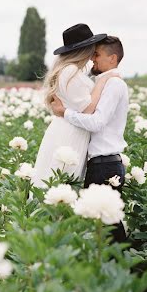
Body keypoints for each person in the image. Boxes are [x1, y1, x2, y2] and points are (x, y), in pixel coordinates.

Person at [50, 36, 128, 243]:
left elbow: (97, 122)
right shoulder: (105, 82)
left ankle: (129, 268)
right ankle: (126, 266)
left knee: (106, 227)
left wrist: (64, 112)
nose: (93, 59)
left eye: (97, 55)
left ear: (112, 58)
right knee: (105, 225)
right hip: (103, 164)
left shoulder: (113, 84)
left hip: (105, 164)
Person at [32, 24, 119, 188]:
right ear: (85, 49)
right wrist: (103, 80)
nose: (94, 54)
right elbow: (88, 108)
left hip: (67, 128)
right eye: (93, 49)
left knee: (58, 181)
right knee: (62, 181)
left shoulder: (69, 70)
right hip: (70, 133)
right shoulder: (70, 71)